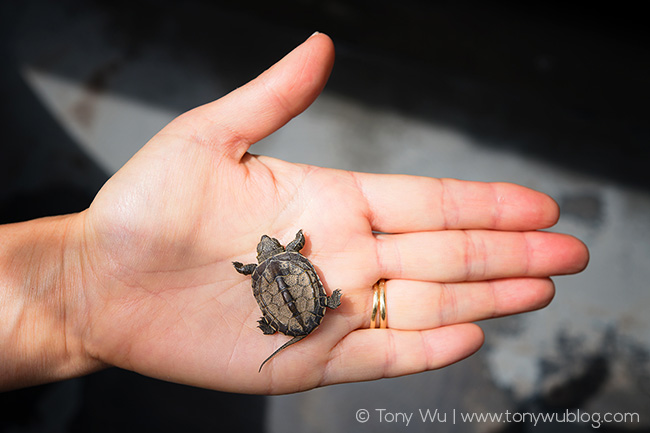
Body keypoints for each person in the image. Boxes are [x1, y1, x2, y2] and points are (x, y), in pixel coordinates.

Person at [0, 33, 588, 394]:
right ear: (281, 249)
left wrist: (78, 289)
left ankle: (308, 319)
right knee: (313, 302)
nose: (265, 254)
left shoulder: (260, 270)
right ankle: (319, 313)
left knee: (296, 307)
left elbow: (265, 270)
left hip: (295, 319)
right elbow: (286, 256)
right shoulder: (282, 258)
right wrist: (79, 288)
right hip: (305, 313)